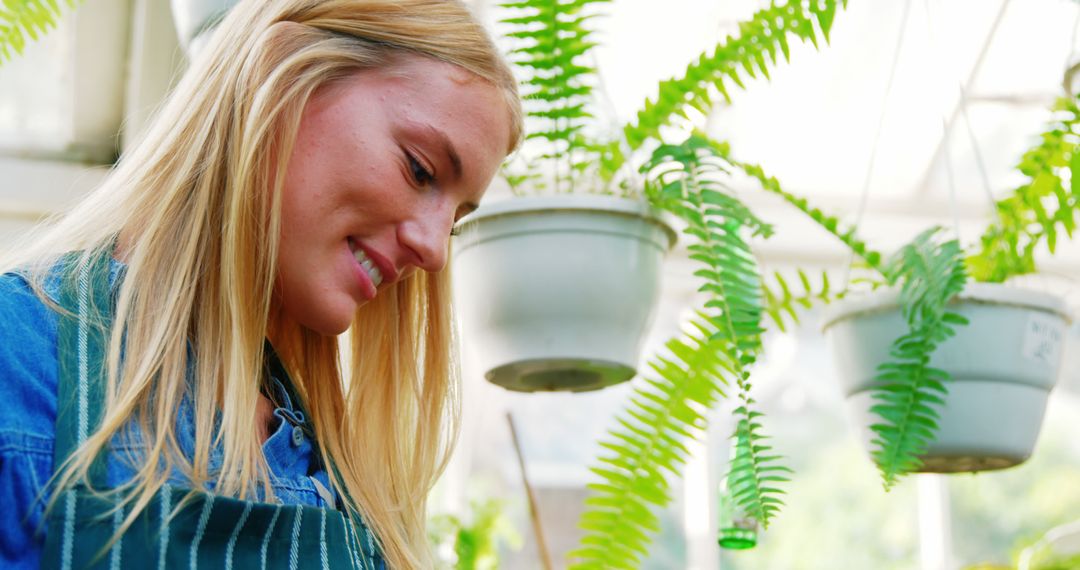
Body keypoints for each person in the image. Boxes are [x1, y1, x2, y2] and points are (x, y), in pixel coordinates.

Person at [0, 0, 522, 568]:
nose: (435, 250)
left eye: (457, 218)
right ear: (280, 75)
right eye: (420, 169)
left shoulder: (340, 479)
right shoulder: (18, 362)